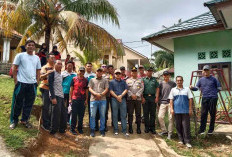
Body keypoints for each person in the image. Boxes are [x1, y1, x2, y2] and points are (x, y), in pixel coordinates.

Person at [10, 40, 41, 129]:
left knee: (29, 103)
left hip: (32, 84)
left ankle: (24, 120)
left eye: (32, 45)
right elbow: (14, 67)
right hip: (21, 83)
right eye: (29, 45)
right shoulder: (20, 55)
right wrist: (15, 79)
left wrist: (37, 81)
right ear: (26, 46)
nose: (31, 47)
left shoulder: (36, 58)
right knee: (17, 103)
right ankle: (14, 121)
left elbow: (38, 70)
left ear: (34, 47)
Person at [190, 65, 221, 135]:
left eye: (207, 70)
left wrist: (213, 93)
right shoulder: (201, 80)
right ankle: (202, 130)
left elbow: (219, 88)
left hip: (213, 98)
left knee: (212, 114)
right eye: (205, 70)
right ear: (203, 71)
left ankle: (211, 130)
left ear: (209, 71)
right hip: (205, 98)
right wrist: (191, 88)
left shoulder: (214, 79)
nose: (206, 71)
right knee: (203, 114)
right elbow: (196, 88)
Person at [169, 76, 193, 148]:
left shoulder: (187, 89)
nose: (179, 82)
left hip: (185, 111)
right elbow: (171, 100)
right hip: (177, 111)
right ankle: (181, 140)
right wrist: (171, 109)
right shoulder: (173, 90)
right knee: (178, 126)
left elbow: (190, 99)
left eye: (180, 80)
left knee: (186, 126)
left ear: (183, 81)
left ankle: (187, 141)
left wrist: (190, 109)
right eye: (178, 80)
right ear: (176, 81)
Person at [88, 68, 109, 137]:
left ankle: (102, 130)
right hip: (93, 100)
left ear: (102, 73)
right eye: (98, 71)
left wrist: (101, 95)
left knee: (102, 115)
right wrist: (95, 94)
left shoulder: (105, 80)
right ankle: (92, 130)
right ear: (95, 72)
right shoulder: (92, 80)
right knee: (92, 115)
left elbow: (106, 89)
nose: (99, 73)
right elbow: (90, 88)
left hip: (102, 100)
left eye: (101, 72)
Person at [49, 60, 66, 140]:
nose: (59, 65)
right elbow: (50, 86)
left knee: (63, 113)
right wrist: (53, 97)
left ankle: (62, 130)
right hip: (55, 95)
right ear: (54, 64)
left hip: (61, 96)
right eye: (58, 64)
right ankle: (53, 131)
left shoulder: (60, 74)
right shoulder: (52, 73)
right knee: (55, 114)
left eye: (61, 64)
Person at [109, 69, 129, 137]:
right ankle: (116, 130)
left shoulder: (123, 82)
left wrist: (121, 96)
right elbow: (111, 91)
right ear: (114, 74)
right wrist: (117, 97)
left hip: (122, 99)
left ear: (121, 74)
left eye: (119, 74)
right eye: (116, 74)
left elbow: (126, 89)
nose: (118, 75)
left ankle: (124, 130)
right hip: (114, 99)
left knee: (123, 115)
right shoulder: (111, 82)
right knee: (115, 115)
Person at [69, 67, 88, 135]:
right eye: (80, 71)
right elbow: (71, 89)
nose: (81, 72)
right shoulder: (74, 79)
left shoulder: (86, 80)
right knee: (74, 115)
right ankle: (72, 129)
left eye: (83, 71)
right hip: (74, 99)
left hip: (82, 99)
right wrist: (70, 99)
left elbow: (86, 90)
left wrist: (86, 99)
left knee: (81, 115)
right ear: (78, 71)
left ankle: (80, 128)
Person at [157, 71, 176, 139]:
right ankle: (164, 131)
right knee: (160, 117)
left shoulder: (173, 84)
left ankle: (170, 133)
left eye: (167, 75)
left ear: (169, 76)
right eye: (164, 75)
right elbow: (159, 93)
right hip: (163, 102)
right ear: (163, 76)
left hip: (170, 102)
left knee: (170, 118)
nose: (166, 76)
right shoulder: (161, 83)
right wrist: (158, 101)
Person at [39, 53, 55, 131]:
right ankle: (45, 124)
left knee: (51, 107)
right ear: (48, 59)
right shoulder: (44, 67)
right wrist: (47, 73)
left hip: (53, 90)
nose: (53, 59)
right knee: (46, 106)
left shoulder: (55, 67)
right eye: (51, 58)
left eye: (54, 58)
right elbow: (41, 77)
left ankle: (50, 123)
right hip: (45, 88)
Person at [126, 67, 144, 134]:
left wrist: (136, 95)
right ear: (131, 73)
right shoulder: (127, 80)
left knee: (138, 114)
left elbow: (142, 88)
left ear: (137, 72)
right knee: (130, 114)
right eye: (133, 72)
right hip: (130, 99)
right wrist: (131, 95)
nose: (134, 73)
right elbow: (126, 89)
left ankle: (138, 128)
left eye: (135, 71)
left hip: (138, 99)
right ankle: (130, 127)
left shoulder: (140, 80)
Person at [142, 67, 159, 134]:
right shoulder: (143, 80)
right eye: (148, 71)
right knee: (146, 114)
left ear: (152, 72)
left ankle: (152, 128)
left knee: (152, 113)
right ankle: (146, 127)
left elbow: (157, 88)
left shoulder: (154, 80)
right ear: (146, 72)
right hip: (145, 97)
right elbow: (141, 89)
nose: (149, 72)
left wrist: (157, 97)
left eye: (151, 71)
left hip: (152, 97)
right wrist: (142, 97)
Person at [105, 64, 114, 130]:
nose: (111, 70)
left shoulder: (116, 75)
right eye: (109, 69)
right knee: (106, 110)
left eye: (112, 69)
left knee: (114, 110)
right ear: (107, 70)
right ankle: (105, 124)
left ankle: (114, 123)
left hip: (114, 96)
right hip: (107, 96)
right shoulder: (105, 76)